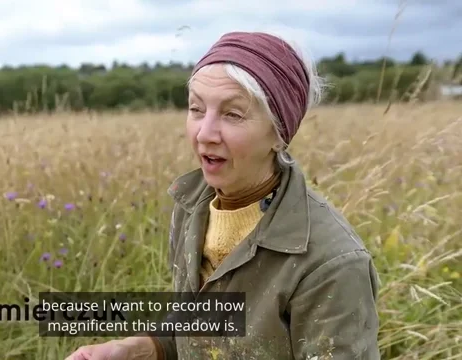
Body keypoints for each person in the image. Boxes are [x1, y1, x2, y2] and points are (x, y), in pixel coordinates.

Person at [66, 31, 381, 360]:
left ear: (279, 133)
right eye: (196, 109)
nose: (205, 133)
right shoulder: (193, 209)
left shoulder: (332, 263)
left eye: (233, 114)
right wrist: (136, 350)